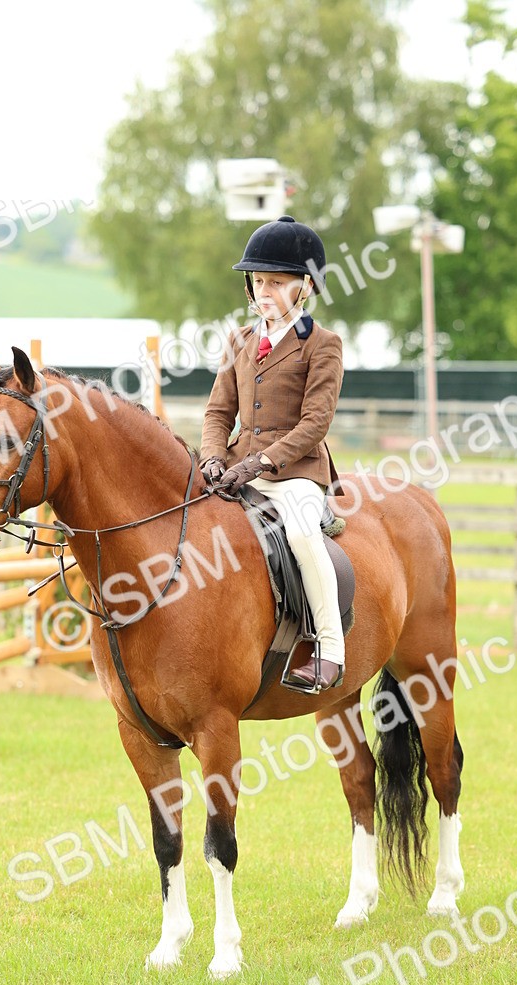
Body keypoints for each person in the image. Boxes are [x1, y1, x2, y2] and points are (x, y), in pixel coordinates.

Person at [199, 214, 346, 692]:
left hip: (295, 473)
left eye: (276, 283)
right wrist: (212, 458)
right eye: (259, 281)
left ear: (305, 287)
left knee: (302, 534)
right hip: (235, 466)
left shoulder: (322, 345)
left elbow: (315, 424)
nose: (264, 291)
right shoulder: (239, 341)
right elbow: (218, 412)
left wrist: (260, 463)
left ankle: (329, 650)